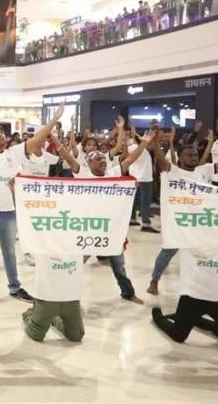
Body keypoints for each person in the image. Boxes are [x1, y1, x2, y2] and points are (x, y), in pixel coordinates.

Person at [0, 104, 65, 304]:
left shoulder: (14, 153)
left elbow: (38, 139)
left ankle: (15, 287)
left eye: (2, 134)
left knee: (9, 252)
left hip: (9, 212)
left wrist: (53, 120)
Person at [146, 132, 218, 295]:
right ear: (180, 157)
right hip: (179, 221)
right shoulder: (171, 171)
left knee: (202, 253)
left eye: (195, 154)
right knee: (168, 251)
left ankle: (199, 283)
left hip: (200, 221)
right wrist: (157, 140)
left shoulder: (205, 170)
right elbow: (160, 159)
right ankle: (154, 280)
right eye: (189, 155)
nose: (193, 157)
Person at [57, 124, 149, 305]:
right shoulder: (82, 174)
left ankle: (128, 292)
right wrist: (56, 140)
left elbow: (129, 161)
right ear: (89, 163)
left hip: (110, 229)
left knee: (119, 266)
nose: (103, 161)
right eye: (98, 159)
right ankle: (62, 291)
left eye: (103, 159)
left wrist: (143, 145)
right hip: (88, 229)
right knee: (75, 263)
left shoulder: (112, 173)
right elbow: (68, 156)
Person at [152, 246, 218, 344]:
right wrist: (155, 279)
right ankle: (157, 315)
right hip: (192, 296)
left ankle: (194, 319)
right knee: (178, 336)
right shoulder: (187, 236)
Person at [23, 254, 85, 342]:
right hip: (47, 295)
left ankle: (54, 318)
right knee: (36, 334)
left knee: (77, 335)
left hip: (70, 295)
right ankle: (32, 314)